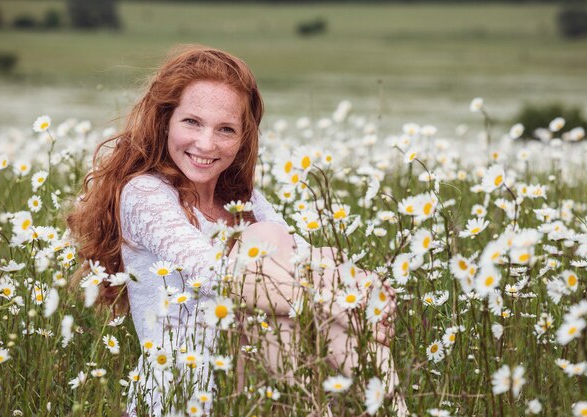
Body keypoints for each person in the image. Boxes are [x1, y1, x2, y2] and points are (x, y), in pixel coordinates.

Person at [68, 45, 400, 416]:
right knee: (277, 257)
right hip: (183, 392)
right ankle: (358, 404)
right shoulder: (145, 193)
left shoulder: (247, 201)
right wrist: (337, 305)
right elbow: (216, 275)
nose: (206, 144)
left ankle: (391, 407)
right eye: (192, 122)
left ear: (243, 137)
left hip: (256, 377)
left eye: (225, 129)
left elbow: (307, 262)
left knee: (297, 253)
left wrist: (365, 287)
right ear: (165, 121)